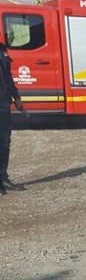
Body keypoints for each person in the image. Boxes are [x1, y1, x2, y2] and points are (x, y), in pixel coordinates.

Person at [0, 42, 26, 194]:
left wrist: (17, 98)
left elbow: (8, 78)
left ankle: (3, 178)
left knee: (4, 143)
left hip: (3, 106)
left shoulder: (2, 51)